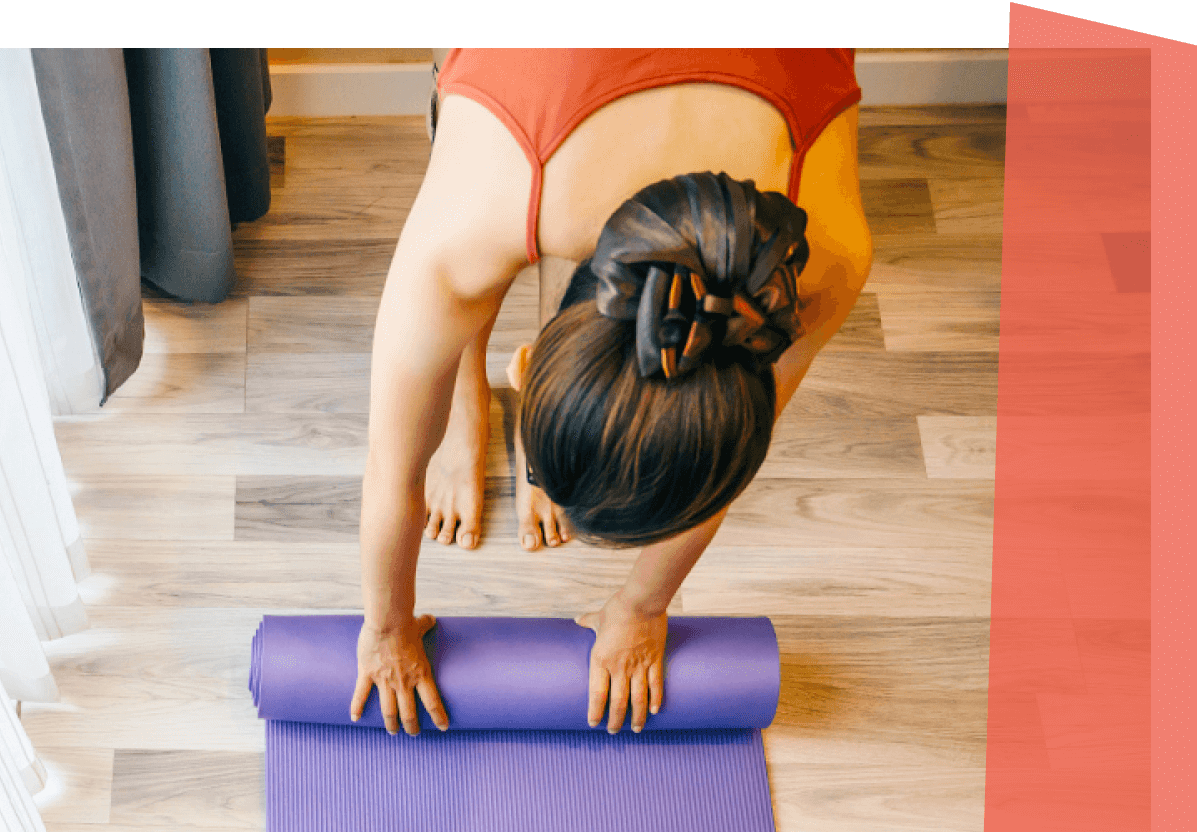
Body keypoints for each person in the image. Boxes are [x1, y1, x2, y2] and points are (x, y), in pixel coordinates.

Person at [353, 49, 872, 735]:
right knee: (459, 288)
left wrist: (643, 607)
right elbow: (393, 473)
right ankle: (463, 395)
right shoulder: (476, 208)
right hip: (537, 106)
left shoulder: (814, 264)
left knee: (476, 267)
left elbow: (719, 466)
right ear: (528, 362)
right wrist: (385, 627)